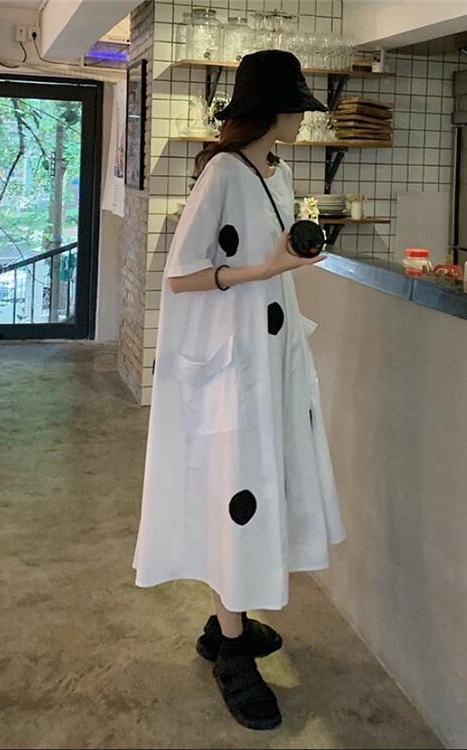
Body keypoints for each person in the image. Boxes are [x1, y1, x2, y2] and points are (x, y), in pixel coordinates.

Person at [132, 50, 346, 731]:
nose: (301, 120)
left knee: (259, 483)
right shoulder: (223, 172)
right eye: (295, 109)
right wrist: (266, 269)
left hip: (269, 358)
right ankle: (230, 649)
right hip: (233, 367)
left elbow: (268, 256)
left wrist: (284, 262)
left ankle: (230, 622)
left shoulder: (277, 173)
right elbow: (182, 275)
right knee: (237, 493)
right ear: (269, 112)